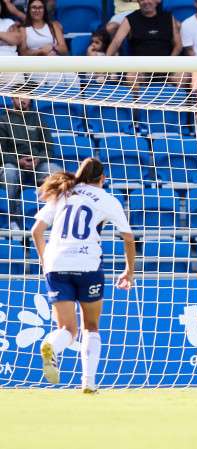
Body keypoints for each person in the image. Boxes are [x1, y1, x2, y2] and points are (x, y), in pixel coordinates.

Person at [31, 158, 136, 393]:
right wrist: (129, 271)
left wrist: (44, 259)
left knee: (67, 329)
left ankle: (51, 344)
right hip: (87, 264)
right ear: (102, 179)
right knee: (91, 326)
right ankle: (88, 383)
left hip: (56, 264)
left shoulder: (63, 193)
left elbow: (36, 230)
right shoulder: (107, 199)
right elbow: (128, 238)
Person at [0, 96, 62, 230]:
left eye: (25, 97)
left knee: (56, 172)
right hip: (14, 164)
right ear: (12, 99)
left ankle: (59, 217)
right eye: (18, 97)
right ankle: (12, 219)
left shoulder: (38, 118)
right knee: (9, 173)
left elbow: (49, 149)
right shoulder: (3, 120)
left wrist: (38, 159)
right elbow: (1, 153)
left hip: (37, 164)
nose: (22, 100)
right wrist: (18, 160)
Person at [106, 0, 182, 57]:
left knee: (182, 76)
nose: (146, 2)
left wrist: (170, 62)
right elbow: (116, 42)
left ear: (157, 1)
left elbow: (178, 45)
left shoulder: (168, 17)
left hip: (166, 65)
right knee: (132, 77)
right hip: (140, 67)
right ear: (138, 2)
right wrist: (104, 62)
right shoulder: (130, 19)